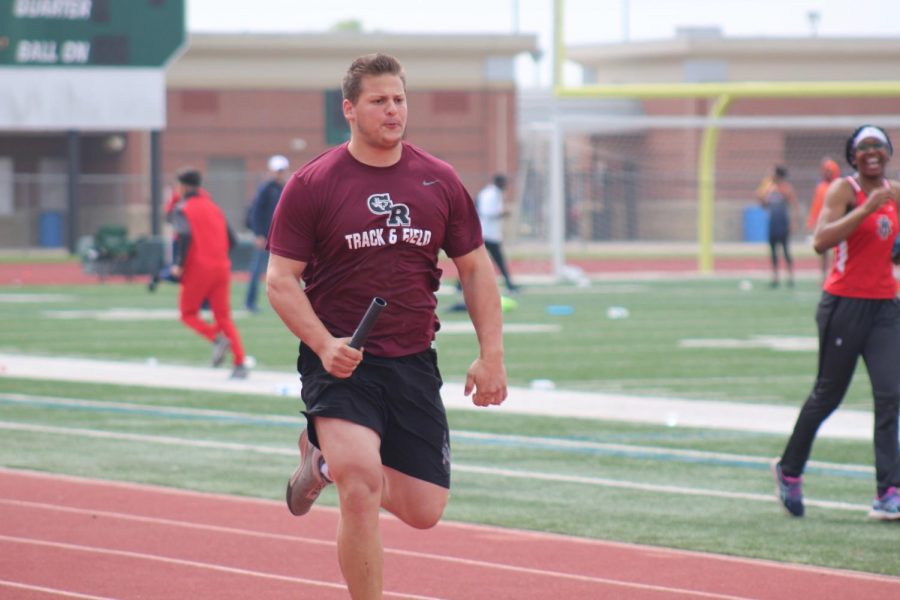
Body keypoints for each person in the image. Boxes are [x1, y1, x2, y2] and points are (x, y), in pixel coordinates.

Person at [265, 53, 507, 599]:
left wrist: (491, 355)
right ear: (349, 110)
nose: (392, 110)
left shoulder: (438, 179)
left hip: (413, 360)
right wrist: (324, 345)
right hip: (341, 363)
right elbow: (280, 280)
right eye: (379, 100)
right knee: (362, 485)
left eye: (399, 99)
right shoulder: (313, 184)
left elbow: (474, 267)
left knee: (425, 511)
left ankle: (320, 461)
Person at [772, 125, 900, 521]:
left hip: (885, 308)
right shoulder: (844, 191)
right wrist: (866, 207)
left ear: (889, 151)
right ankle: (789, 470)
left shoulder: (895, 194)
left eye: (878, 145)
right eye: (864, 147)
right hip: (844, 306)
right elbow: (820, 240)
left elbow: (890, 250)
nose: (872, 152)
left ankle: (888, 492)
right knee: (828, 395)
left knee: (890, 396)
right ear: (852, 155)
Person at [169, 168, 248, 380]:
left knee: (188, 314)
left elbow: (184, 234)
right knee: (223, 317)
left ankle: (216, 339)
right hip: (222, 267)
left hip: (198, 269)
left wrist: (179, 264)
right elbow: (233, 239)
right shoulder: (214, 207)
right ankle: (240, 363)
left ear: (183, 187)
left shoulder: (182, 208)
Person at [244, 154, 289, 312]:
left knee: (284, 273)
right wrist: (258, 234)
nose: (279, 173)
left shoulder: (283, 188)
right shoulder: (266, 189)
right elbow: (256, 213)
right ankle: (249, 303)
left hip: (279, 237)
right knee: (257, 270)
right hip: (265, 237)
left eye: (282, 170)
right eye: (278, 171)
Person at [756, 165, 800, 287]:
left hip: (783, 223)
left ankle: (790, 277)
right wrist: (765, 193)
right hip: (773, 222)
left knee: (786, 250)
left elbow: (794, 205)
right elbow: (763, 204)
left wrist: (793, 222)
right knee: (773, 251)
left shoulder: (786, 188)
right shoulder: (769, 188)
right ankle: (775, 277)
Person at [475, 173, 519, 293]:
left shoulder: (495, 193)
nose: (506, 186)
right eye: (504, 183)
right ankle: (509, 284)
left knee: (494, 260)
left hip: (490, 234)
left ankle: (509, 284)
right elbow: (486, 212)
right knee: (477, 261)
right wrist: (503, 214)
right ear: (498, 182)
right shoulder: (490, 194)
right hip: (485, 234)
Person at [806, 157, 841, 281]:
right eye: (825, 170)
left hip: (836, 221)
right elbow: (816, 205)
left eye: (829, 170)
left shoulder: (839, 186)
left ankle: (835, 273)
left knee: (838, 250)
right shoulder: (821, 187)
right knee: (822, 250)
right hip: (824, 223)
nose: (827, 173)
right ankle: (823, 275)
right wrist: (812, 220)